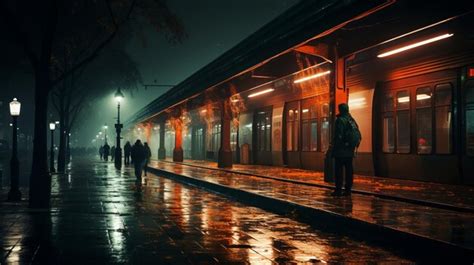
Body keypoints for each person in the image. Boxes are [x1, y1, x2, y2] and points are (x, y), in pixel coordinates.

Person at [329, 103, 361, 197]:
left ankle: (338, 190)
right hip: (350, 150)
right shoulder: (352, 120)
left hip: (340, 151)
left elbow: (339, 136)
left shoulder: (340, 120)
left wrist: (334, 147)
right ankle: (348, 190)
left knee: (338, 171)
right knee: (349, 171)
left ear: (340, 110)